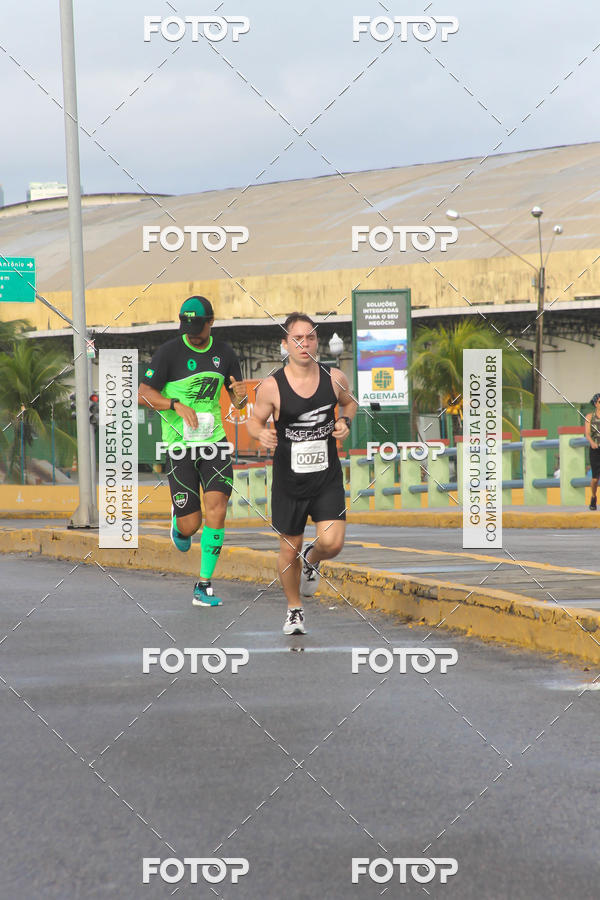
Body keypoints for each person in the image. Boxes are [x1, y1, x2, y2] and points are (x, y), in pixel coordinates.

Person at [247, 312, 357, 635]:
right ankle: (294, 609)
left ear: (316, 342)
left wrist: (345, 422)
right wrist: (260, 434)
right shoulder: (272, 386)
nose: (304, 343)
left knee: (333, 543)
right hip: (289, 481)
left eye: (309, 337)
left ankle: (313, 557)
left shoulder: (334, 378)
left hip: (326, 477)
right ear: (285, 344)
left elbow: (349, 404)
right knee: (287, 549)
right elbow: (254, 421)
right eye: (297, 338)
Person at [138, 296, 247, 606]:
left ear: (211, 322)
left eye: (198, 326)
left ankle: (204, 585)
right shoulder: (168, 353)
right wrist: (174, 404)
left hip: (214, 443)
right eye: (186, 326)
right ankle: (179, 523)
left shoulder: (225, 354)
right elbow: (142, 394)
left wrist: (240, 398)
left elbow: (237, 402)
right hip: (179, 447)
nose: (192, 332)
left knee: (218, 508)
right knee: (191, 524)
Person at [584, 392, 600, 510]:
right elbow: (587, 434)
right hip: (595, 449)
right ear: (596, 404)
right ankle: (593, 496)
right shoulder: (590, 417)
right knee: (595, 478)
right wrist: (592, 443)